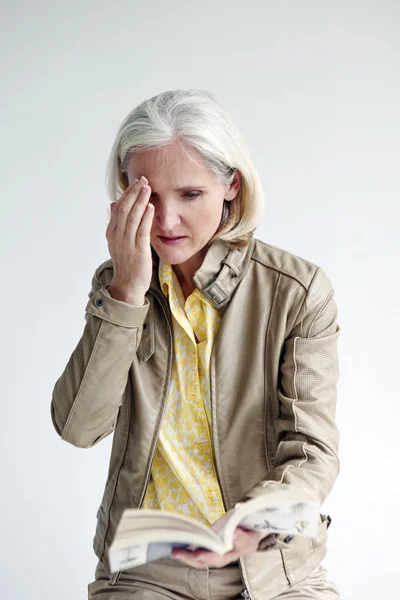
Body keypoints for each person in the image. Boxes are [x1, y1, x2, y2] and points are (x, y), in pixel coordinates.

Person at [50, 89, 341, 599]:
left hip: (273, 566)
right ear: (125, 191)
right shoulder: (118, 289)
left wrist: (254, 521)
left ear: (231, 185)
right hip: (146, 572)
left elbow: (313, 453)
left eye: (189, 195)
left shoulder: (296, 291)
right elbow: (78, 427)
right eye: (150, 196)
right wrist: (125, 294)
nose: (165, 222)